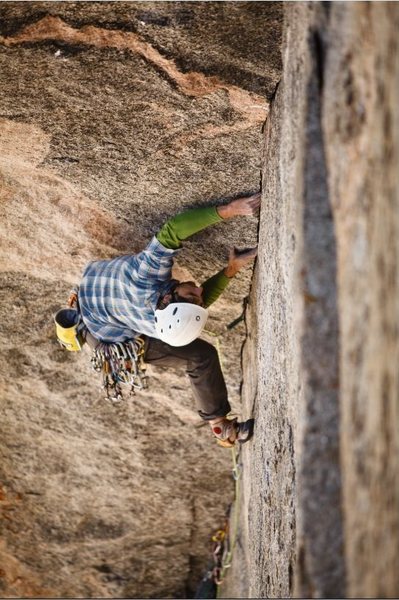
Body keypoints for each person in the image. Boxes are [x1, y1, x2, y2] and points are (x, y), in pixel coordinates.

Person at [77, 192, 260, 447]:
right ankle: (222, 428)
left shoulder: (147, 275)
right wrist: (230, 270)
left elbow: (172, 230)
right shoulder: (157, 325)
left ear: (167, 300)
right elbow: (190, 310)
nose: (198, 289)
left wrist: (231, 209)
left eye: (191, 295)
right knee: (201, 356)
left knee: (198, 351)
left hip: (98, 299)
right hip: (107, 334)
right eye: (195, 295)